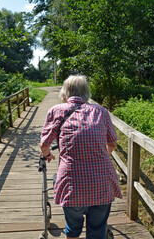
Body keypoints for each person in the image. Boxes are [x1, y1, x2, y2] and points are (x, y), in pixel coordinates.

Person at [40, 75, 122, 239]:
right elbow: (112, 143)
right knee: (98, 229)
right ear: (87, 93)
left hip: (72, 187)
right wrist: (97, 157)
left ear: (65, 93)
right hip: (102, 185)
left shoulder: (56, 111)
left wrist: (48, 155)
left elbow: (44, 145)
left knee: (73, 227)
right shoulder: (101, 112)